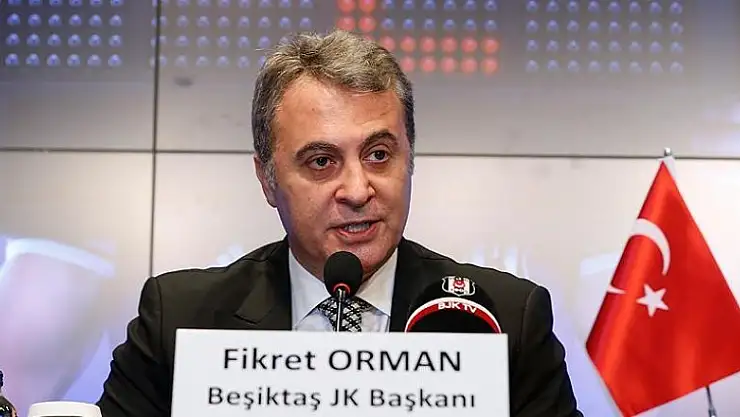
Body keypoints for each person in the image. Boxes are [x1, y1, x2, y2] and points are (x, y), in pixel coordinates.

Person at [97, 29, 583, 417]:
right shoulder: (181, 322)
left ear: (410, 159)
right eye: (322, 161)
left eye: (379, 155)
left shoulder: (506, 322)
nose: (357, 189)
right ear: (267, 180)